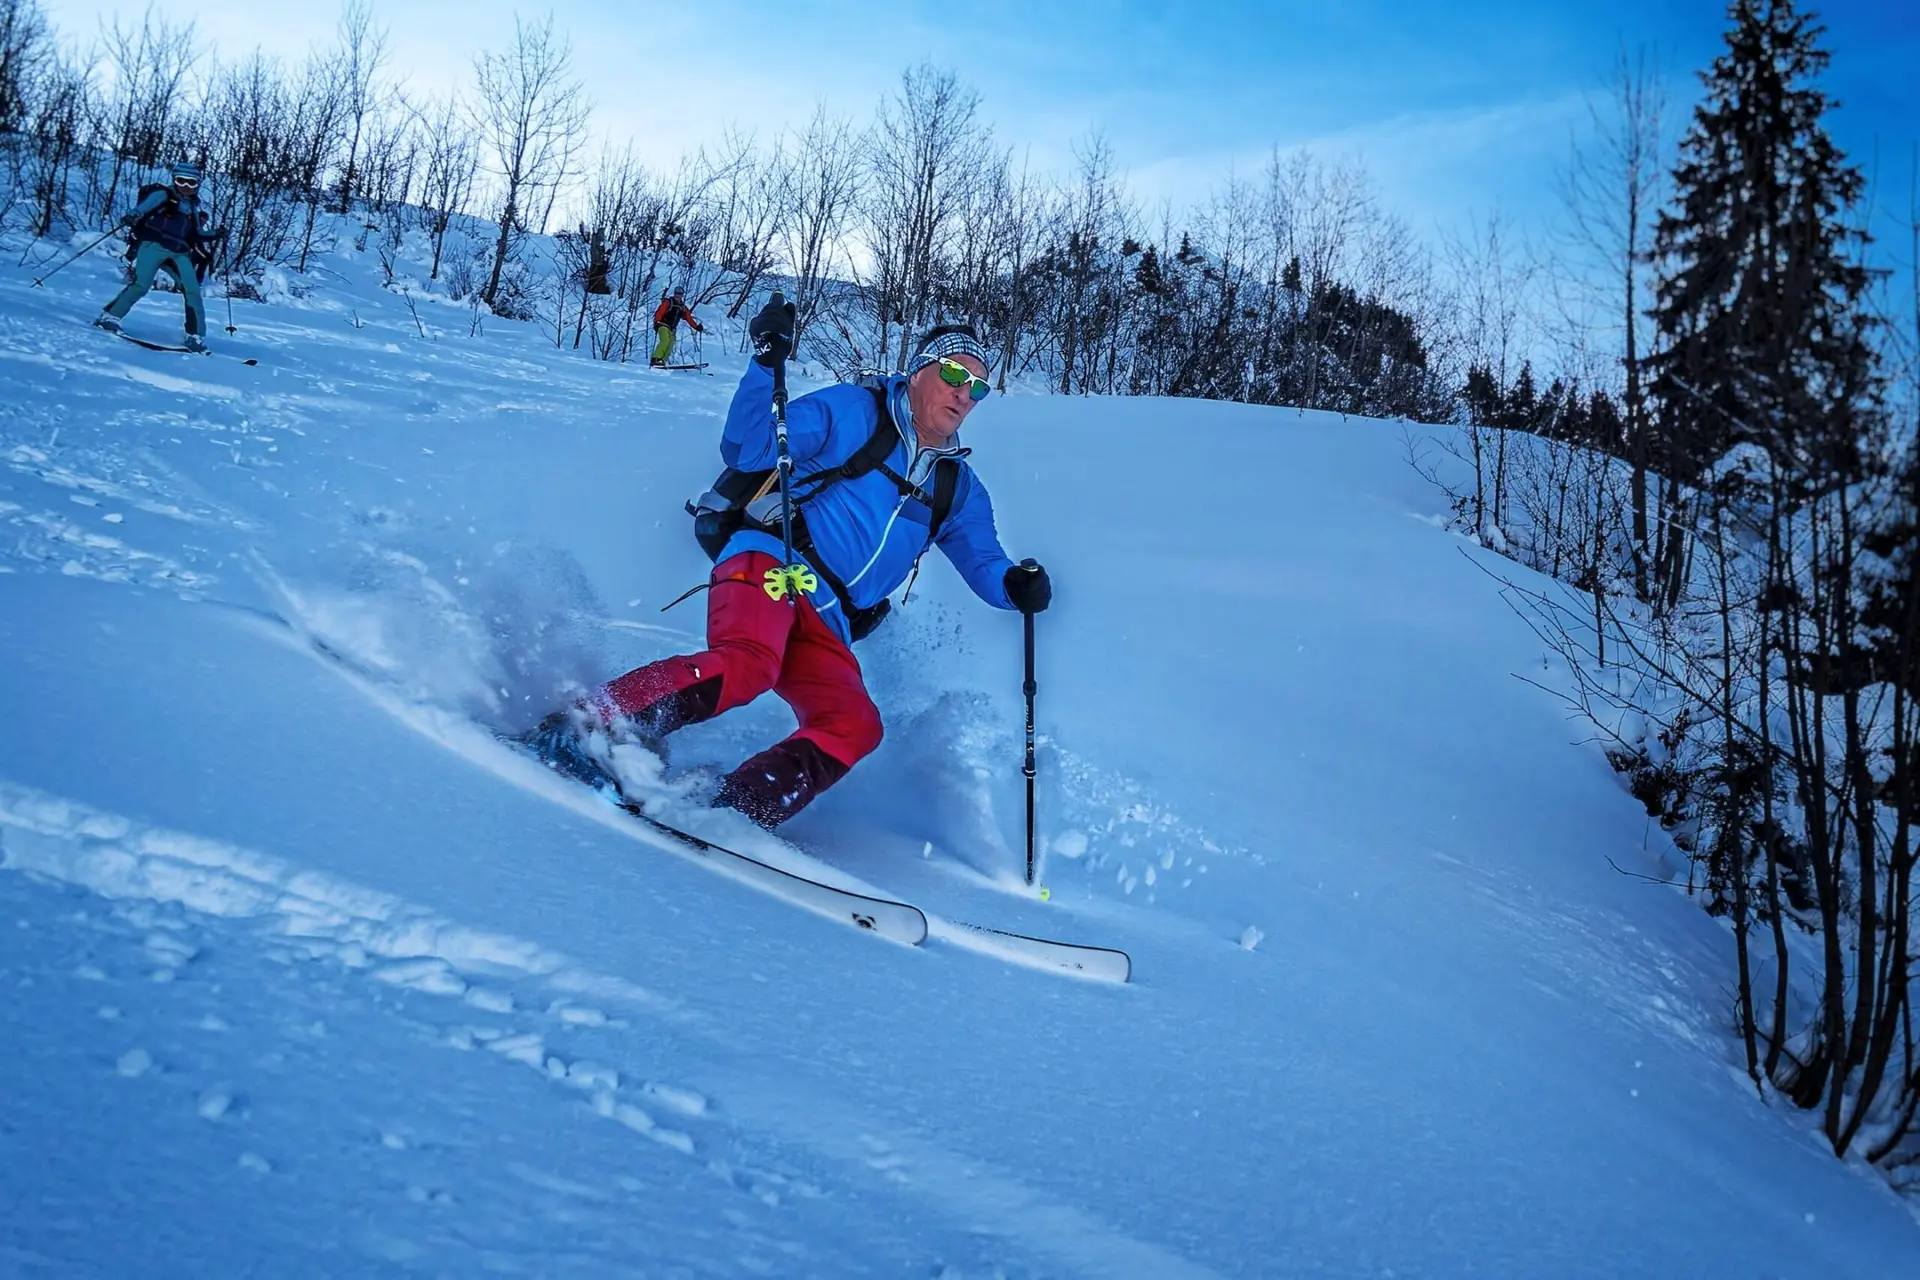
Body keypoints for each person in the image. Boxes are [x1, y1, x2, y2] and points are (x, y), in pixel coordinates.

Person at [527, 300, 1053, 829]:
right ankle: (589, 725)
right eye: (956, 374)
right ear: (919, 371)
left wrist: (1015, 587)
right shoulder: (856, 411)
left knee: (854, 724)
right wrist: (764, 365)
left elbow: (986, 564)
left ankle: (733, 809)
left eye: (979, 387)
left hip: (831, 617)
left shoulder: (955, 487)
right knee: (749, 664)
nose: (965, 393)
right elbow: (749, 448)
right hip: (772, 563)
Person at [95, 162, 224, 353]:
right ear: (174, 180)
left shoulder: (193, 208)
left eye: (191, 183)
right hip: (153, 246)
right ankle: (110, 317)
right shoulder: (163, 195)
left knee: (192, 290)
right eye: (181, 181)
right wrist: (131, 216)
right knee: (141, 284)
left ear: (197, 184)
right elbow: (142, 209)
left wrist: (216, 233)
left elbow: (196, 233)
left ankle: (194, 335)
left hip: (179, 253)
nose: (186, 186)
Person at [650, 287, 703, 367]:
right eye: (676, 293)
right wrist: (657, 322)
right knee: (665, 340)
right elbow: (660, 312)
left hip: (672, 329)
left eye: (680, 294)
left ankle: (663, 361)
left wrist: (696, 327)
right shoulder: (668, 302)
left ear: (682, 295)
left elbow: (688, 318)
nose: (677, 295)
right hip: (663, 325)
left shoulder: (683, 307)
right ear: (674, 293)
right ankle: (655, 358)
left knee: (671, 343)